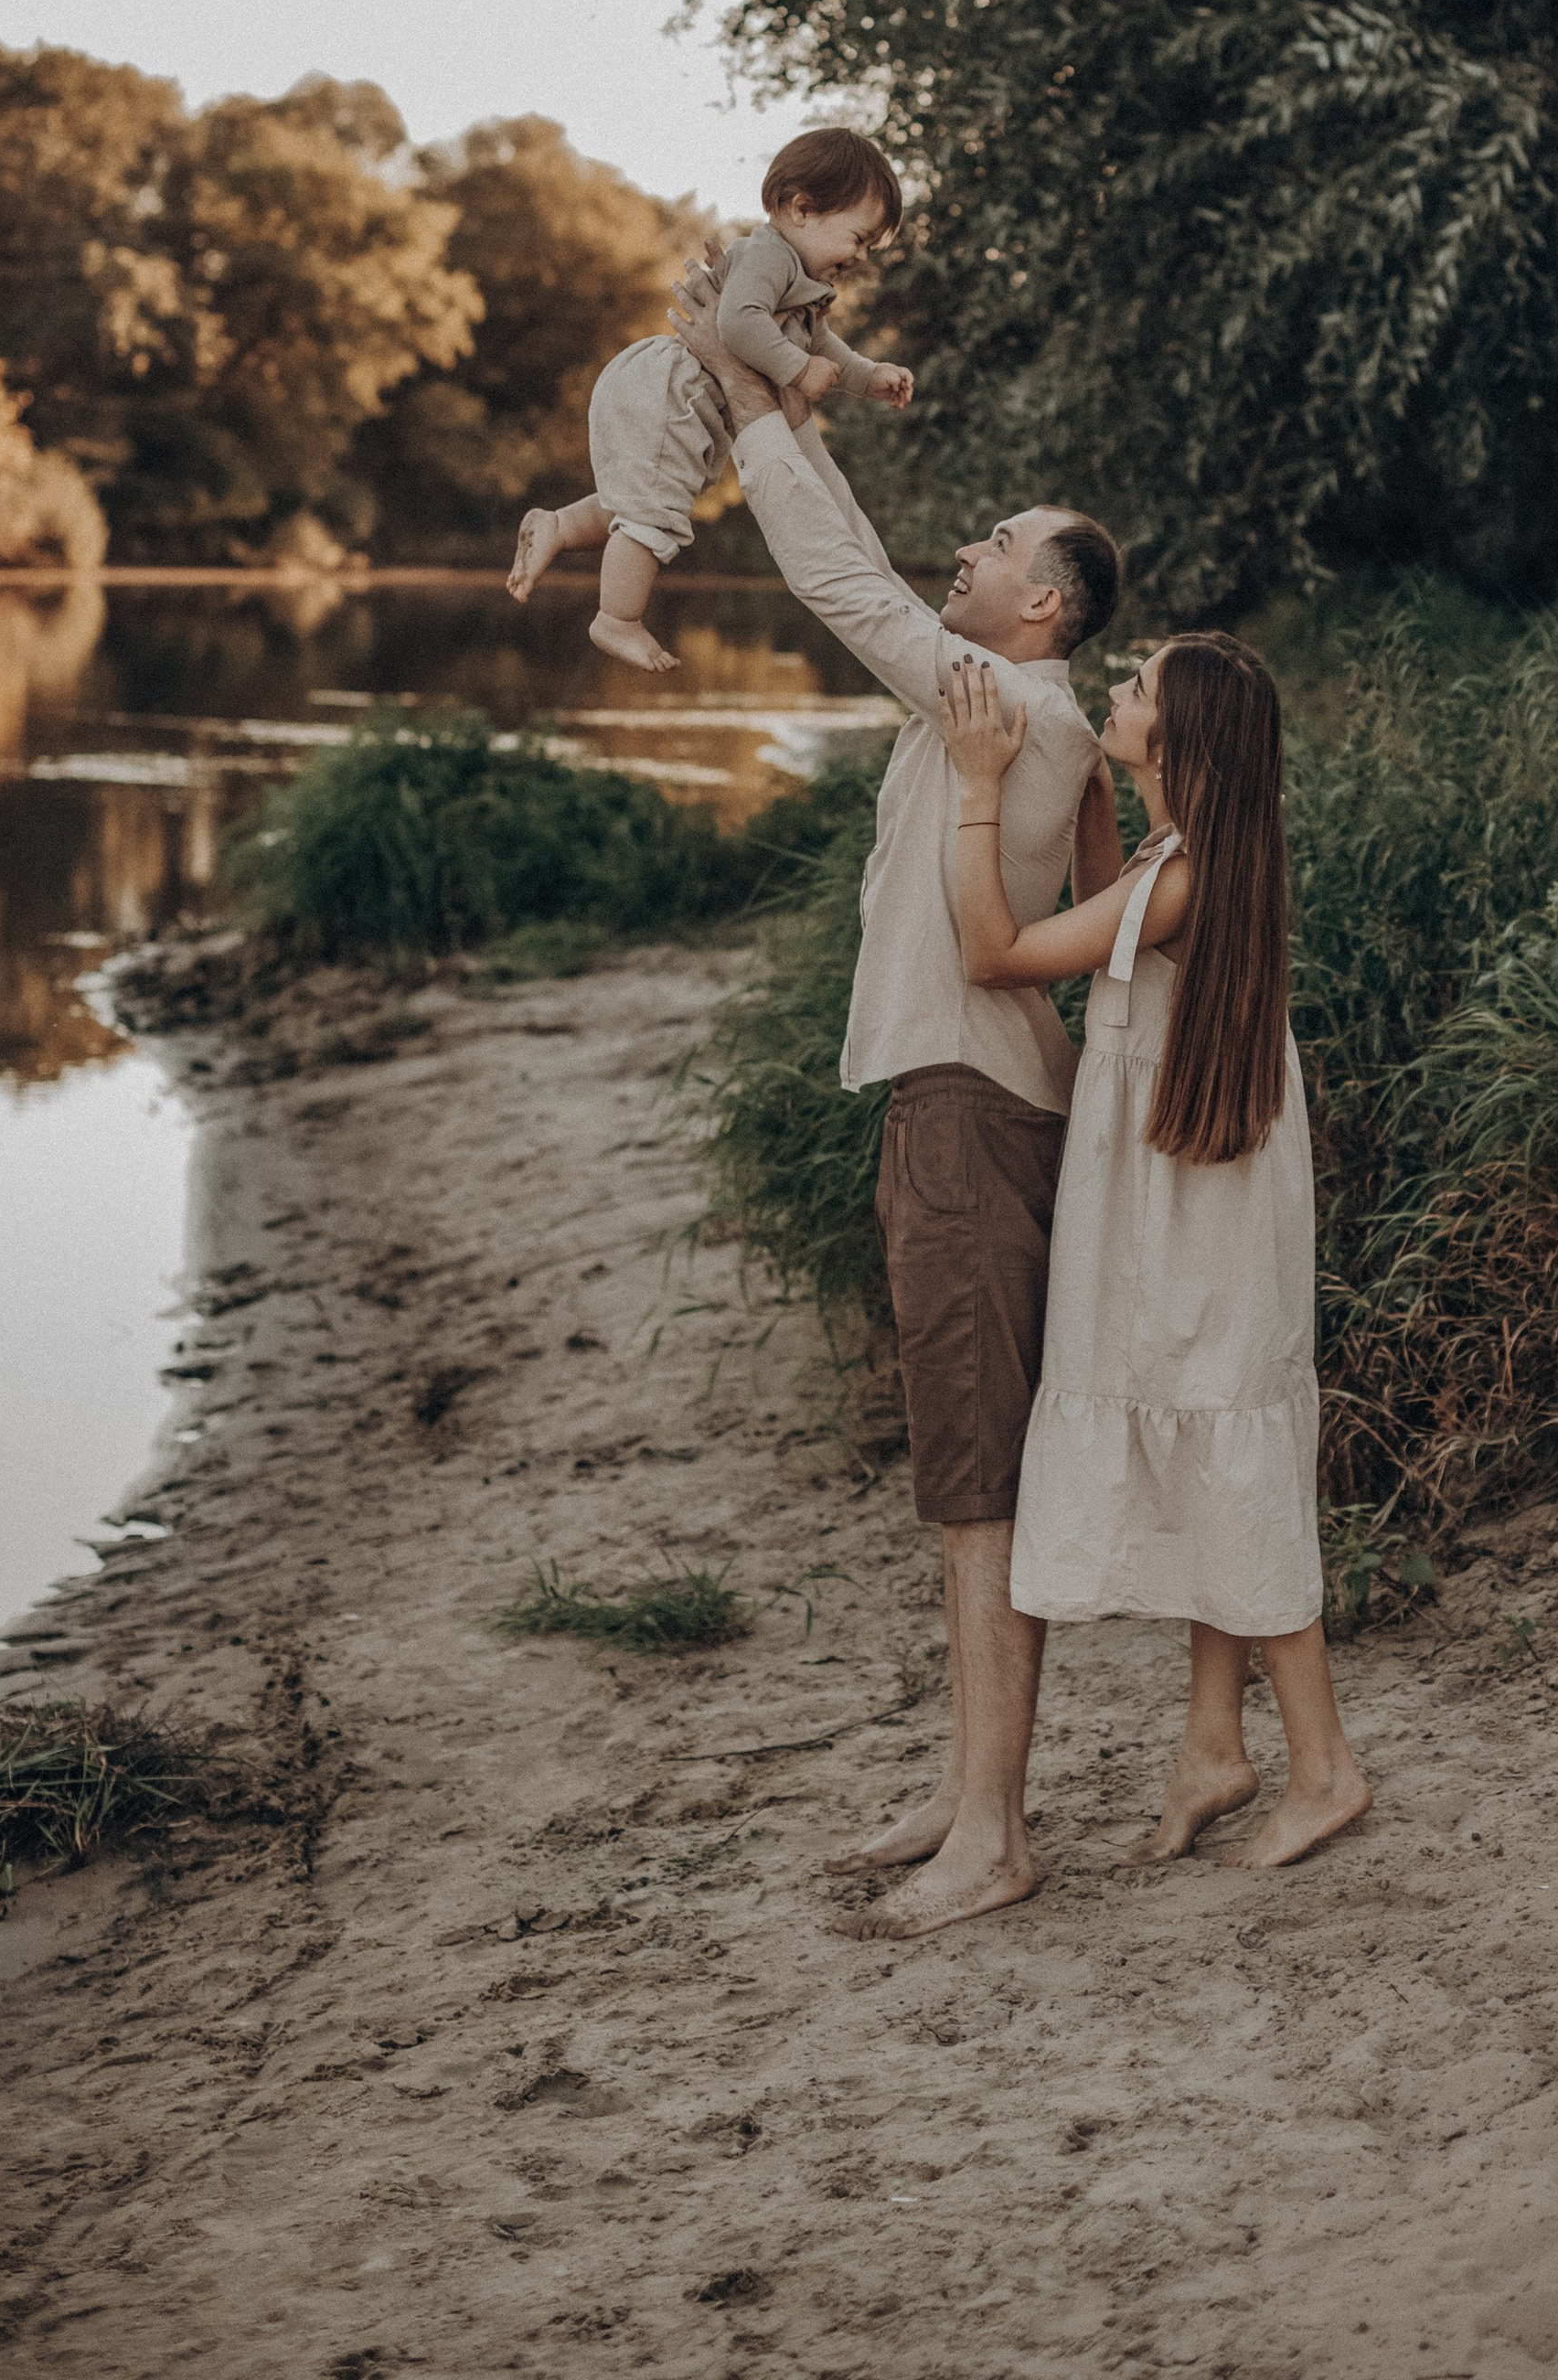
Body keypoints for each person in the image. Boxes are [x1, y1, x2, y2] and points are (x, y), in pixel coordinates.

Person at [666, 257, 1123, 1939]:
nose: (973, 553)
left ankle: (994, 1839)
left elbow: (844, 586)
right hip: (952, 1110)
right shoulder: (1011, 699)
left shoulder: (1007, 703)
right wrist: (786, 398)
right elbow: (873, 569)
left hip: (968, 1120)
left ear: (1046, 606)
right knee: (962, 1483)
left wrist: (738, 403)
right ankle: (964, 1791)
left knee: (977, 1489)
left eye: (1001, 545)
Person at [940, 634, 1371, 1873]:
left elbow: (998, 953)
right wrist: (1091, 797)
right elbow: (1105, 926)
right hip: (1198, 1191)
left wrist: (978, 793)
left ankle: (1327, 1766)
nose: (1115, 695)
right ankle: (1210, 1746)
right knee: (1204, 1425)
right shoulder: (1182, 859)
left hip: (1192, 1207)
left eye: (1134, 695)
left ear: (1179, 744)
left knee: (1219, 1442)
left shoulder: (1177, 882)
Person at [507, 128, 915, 672]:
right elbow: (737, 323)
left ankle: (558, 526)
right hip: (671, 391)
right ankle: (616, 619)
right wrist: (796, 369)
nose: (860, 256)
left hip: (678, 398)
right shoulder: (770, 257)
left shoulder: (798, 278)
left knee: (646, 497)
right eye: (859, 238)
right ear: (802, 209)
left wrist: (869, 377)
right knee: (652, 513)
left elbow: (822, 345)